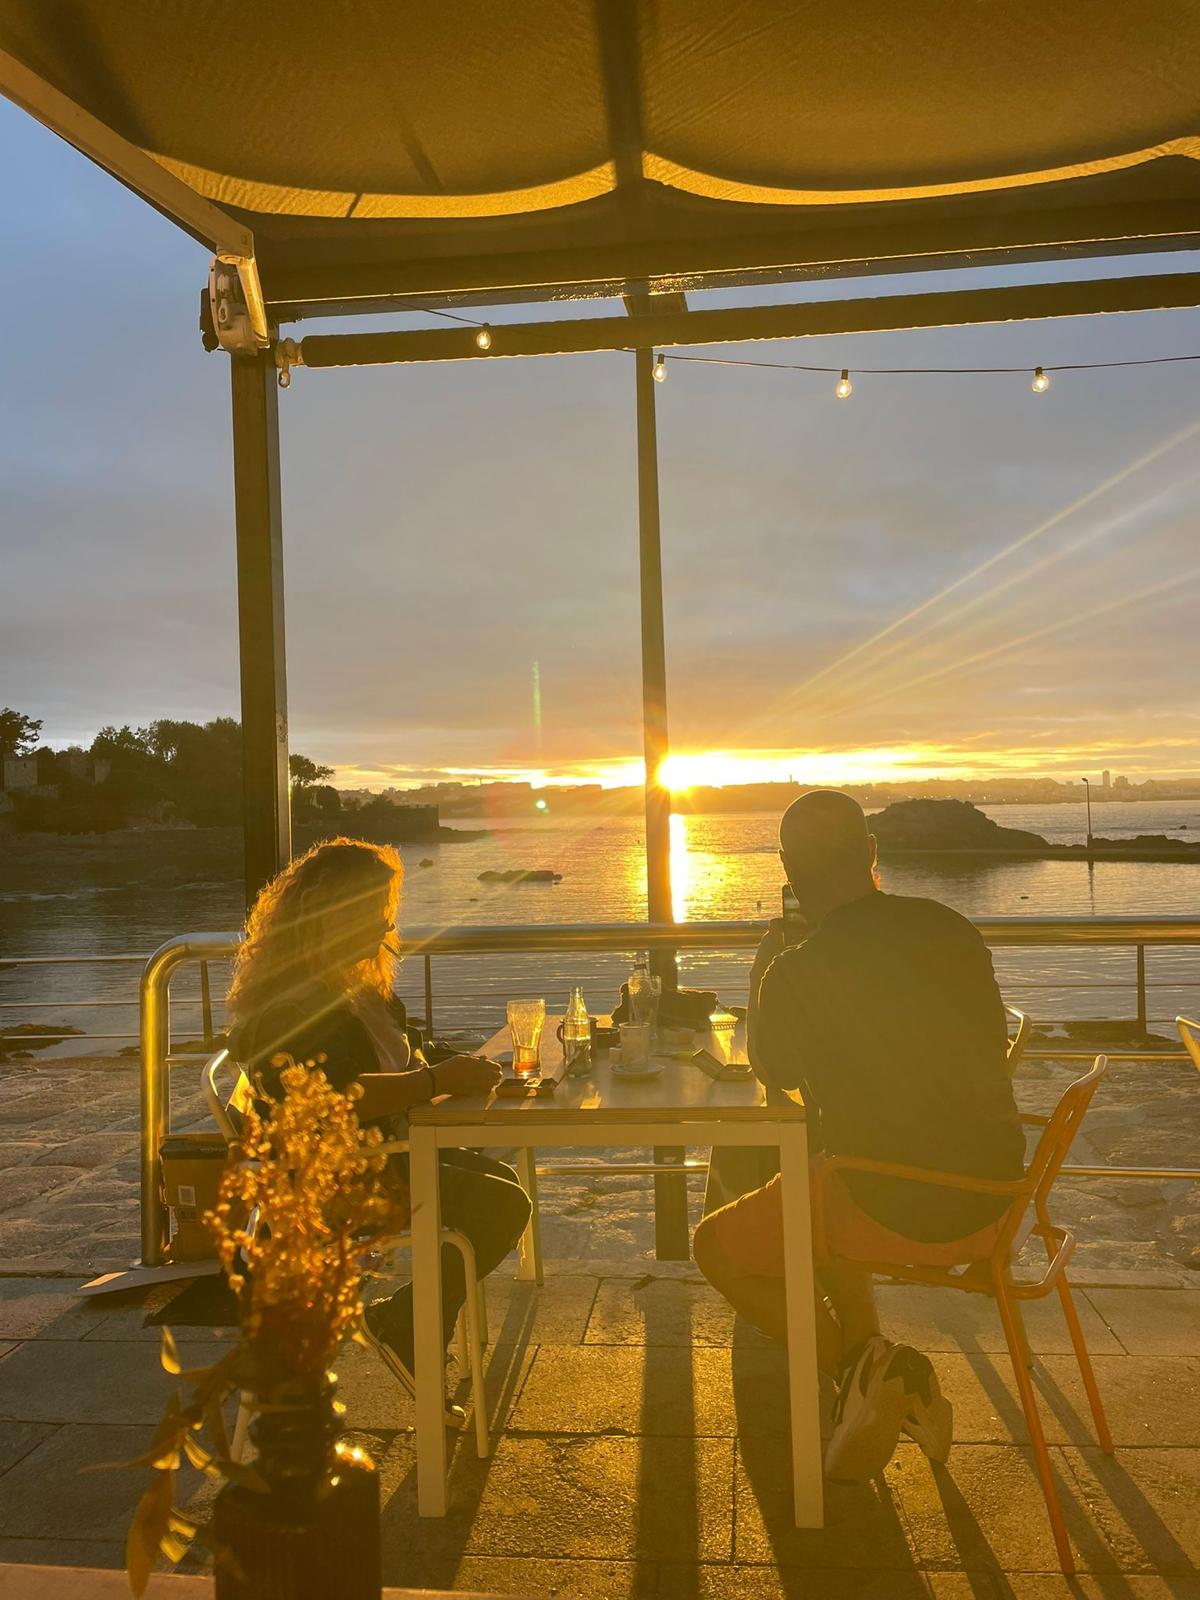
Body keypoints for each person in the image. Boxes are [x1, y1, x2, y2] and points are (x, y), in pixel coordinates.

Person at [693, 790, 1024, 1482]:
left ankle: (874, 1370)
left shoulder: (798, 967)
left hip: (888, 1207)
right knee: (822, 1177)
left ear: (788, 871)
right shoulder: (950, 928)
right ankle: (877, 1375)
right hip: (994, 1207)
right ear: (872, 853)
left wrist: (773, 967)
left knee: (717, 1247)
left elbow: (772, 1072)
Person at [226, 837, 531, 1423]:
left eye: (385, 912)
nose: (386, 927)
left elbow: (405, 1050)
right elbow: (329, 1096)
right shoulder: (289, 1004)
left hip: (379, 1151)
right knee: (498, 1204)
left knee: (496, 1180)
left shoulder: (348, 984)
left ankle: (415, 1323)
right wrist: (435, 1080)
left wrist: (471, 1070)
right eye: (371, 913)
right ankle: (407, 1326)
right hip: (331, 1179)